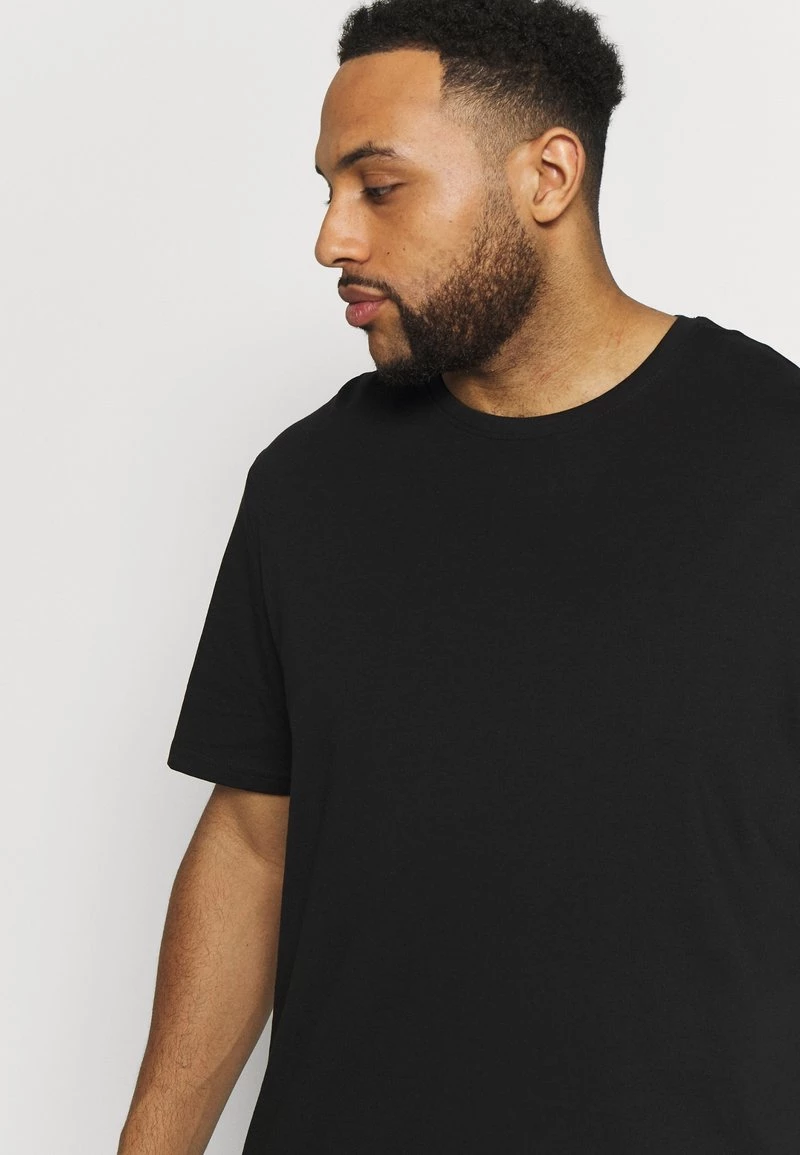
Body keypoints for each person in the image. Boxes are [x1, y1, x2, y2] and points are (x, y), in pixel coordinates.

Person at [118, 0, 800, 1152]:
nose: (332, 240)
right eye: (327, 191)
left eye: (378, 188)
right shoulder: (307, 485)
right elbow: (251, 837)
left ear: (545, 176)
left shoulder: (773, 456)